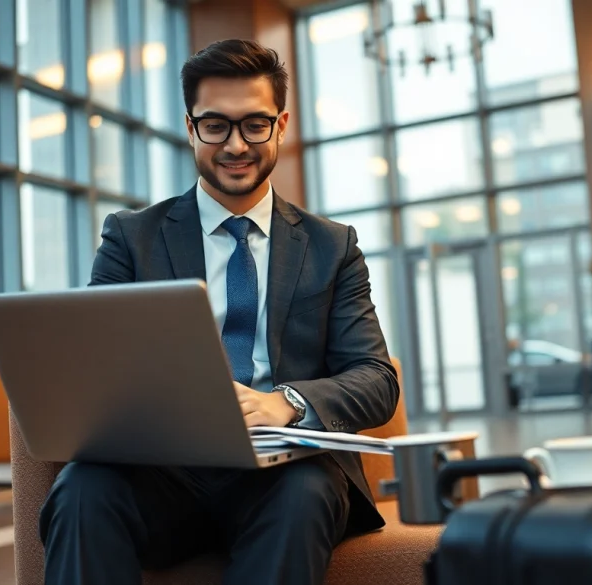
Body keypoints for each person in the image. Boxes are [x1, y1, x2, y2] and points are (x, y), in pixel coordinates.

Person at [37, 39, 399, 585]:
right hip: (160, 476)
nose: (236, 145)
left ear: (281, 125)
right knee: (83, 489)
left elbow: (375, 379)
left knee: (306, 492)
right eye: (215, 126)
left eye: (254, 125)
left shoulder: (332, 246)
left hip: (284, 477)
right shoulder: (131, 238)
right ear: (189, 127)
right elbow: (97, 373)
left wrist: (286, 403)